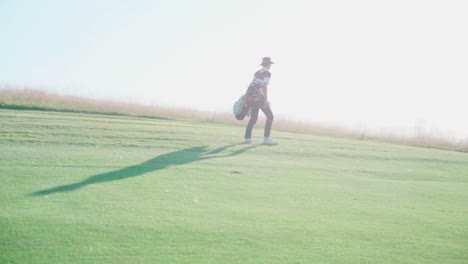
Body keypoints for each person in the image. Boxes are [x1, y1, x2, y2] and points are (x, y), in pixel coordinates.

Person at [243, 57, 278, 145]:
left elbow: (254, 85)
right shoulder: (267, 73)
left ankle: (247, 138)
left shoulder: (257, 72)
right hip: (260, 98)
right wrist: (265, 100)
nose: (270, 66)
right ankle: (266, 139)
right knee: (270, 116)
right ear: (268, 64)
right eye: (270, 64)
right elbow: (264, 86)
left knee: (254, 118)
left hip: (253, 97)